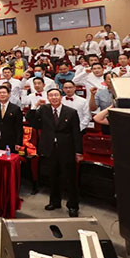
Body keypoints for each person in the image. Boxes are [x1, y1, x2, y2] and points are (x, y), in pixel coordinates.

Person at [26, 88, 83, 217]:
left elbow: (76, 133)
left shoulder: (71, 112)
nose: (54, 98)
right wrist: (35, 106)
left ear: (61, 97)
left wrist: (78, 151)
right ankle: (55, 202)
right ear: (48, 98)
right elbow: (32, 121)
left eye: (56, 95)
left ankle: (73, 206)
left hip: (67, 149)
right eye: (51, 95)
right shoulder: (44, 109)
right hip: (49, 149)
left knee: (70, 179)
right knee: (53, 177)